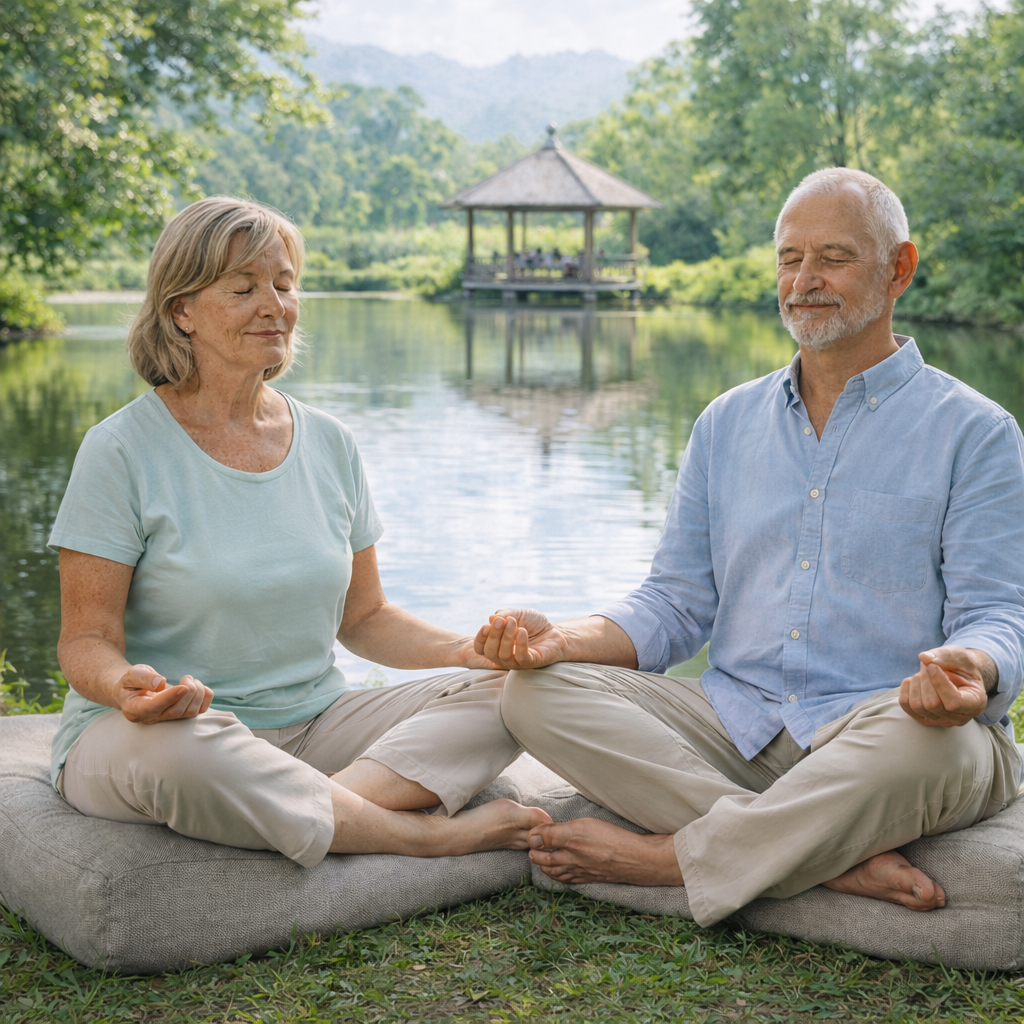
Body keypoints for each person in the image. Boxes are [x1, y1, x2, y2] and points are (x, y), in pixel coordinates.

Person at [475, 167, 1024, 926]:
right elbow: (674, 604)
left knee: (953, 749)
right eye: (790, 258)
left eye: (833, 257)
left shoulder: (979, 432)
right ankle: (828, 859)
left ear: (899, 268)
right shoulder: (723, 423)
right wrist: (561, 638)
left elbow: (998, 611)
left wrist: (974, 667)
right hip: (738, 725)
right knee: (537, 694)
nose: (805, 280)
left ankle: (671, 860)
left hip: (888, 723)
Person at [50, 196, 549, 867]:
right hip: (169, 734)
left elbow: (366, 617)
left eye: (284, 285)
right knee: (185, 756)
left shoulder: (330, 442)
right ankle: (416, 835)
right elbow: (87, 640)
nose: (273, 305)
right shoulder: (119, 450)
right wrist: (123, 688)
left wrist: (470, 652)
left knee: (518, 694)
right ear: (181, 311)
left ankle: (308, 810)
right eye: (243, 288)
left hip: (317, 725)